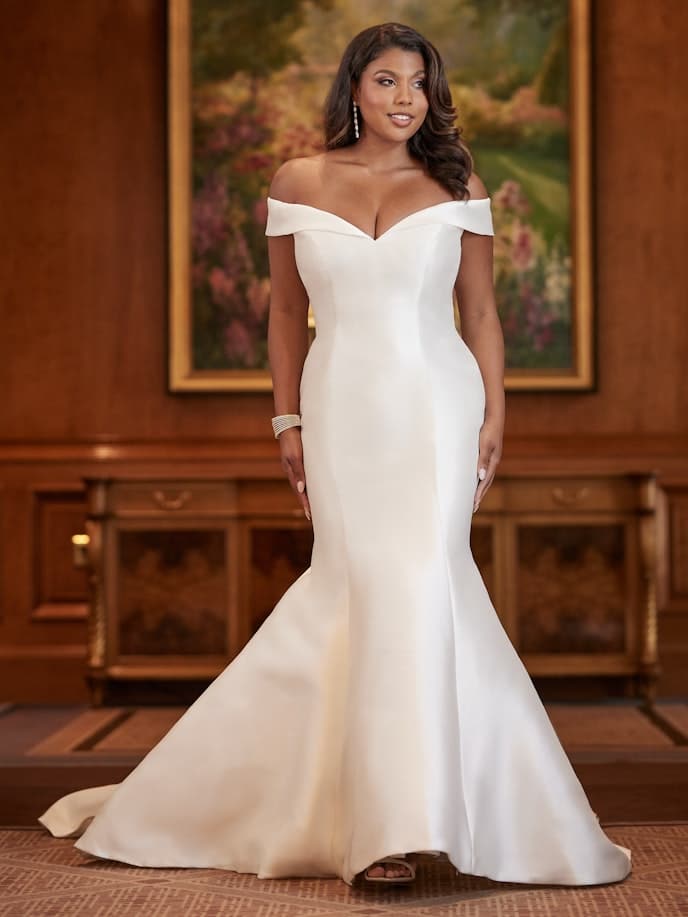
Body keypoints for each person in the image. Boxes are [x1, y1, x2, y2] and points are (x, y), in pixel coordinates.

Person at [38, 22, 631, 888]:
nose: (404, 98)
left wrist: (496, 410)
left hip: (438, 403)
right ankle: (358, 811)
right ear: (353, 87)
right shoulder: (298, 181)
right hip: (340, 405)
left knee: (425, 578)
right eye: (386, 80)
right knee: (353, 586)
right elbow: (284, 313)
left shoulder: (455, 184)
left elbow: (482, 315)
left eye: (418, 84)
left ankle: (407, 826)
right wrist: (285, 420)